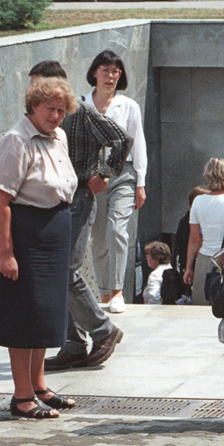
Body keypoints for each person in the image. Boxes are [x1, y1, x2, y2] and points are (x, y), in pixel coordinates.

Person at [26, 62, 130, 372]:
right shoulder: (41, 117)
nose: (31, 94)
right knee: (59, 273)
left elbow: (122, 140)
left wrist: (105, 173)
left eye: (37, 85)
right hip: (55, 200)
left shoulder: (80, 111)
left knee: (65, 270)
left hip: (80, 197)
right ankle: (73, 343)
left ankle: (103, 331)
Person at [0, 77, 79, 419]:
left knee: (46, 313)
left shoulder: (59, 137)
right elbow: (0, 200)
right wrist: (6, 253)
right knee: (24, 312)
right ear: (33, 106)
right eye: (50, 109)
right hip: (26, 233)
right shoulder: (15, 140)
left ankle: (39, 384)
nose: (56, 116)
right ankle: (21, 395)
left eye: (61, 110)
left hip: (55, 231)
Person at [87, 50, 148, 314]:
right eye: (106, 70)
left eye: (115, 72)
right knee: (99, 237)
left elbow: (139, 144)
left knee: (117, 229)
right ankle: (103, 293)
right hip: (92, 176)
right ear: (94, 73)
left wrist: (140, 182)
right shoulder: (80, 105)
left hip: (123, 174)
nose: (110, 76)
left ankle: (117, 291)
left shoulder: (129, 106)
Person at [182, 159, 224, 305]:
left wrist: (188, 268)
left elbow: (193, 239)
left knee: (202, 307)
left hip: (205, 261)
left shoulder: (198, 201)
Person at [173, 185, 211, 302]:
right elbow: (189, 243)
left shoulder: (185, 220)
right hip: (192, 264)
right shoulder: (188, 222)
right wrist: (188, 266)